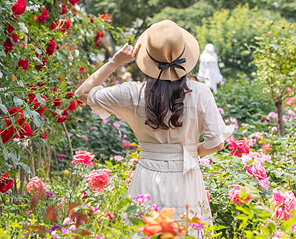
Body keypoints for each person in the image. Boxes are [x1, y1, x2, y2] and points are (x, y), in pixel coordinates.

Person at [74, 19, 232, 224]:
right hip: (186, 178)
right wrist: (188, 151)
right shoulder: (201, 92)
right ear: (184, 55)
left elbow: (81, 93)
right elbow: (216, 143)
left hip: (147, 175)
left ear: (147, 58)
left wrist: (115, 62)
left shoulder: (132, 93)